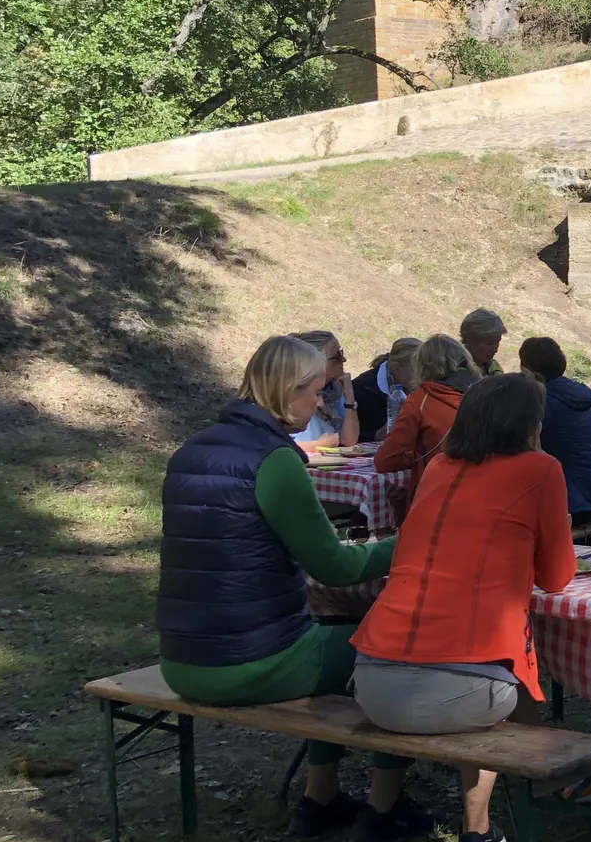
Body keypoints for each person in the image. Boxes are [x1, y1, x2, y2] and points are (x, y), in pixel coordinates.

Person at [157, 336, 427, 840]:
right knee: (400, 654)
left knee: (339, 630)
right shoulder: (275, 461)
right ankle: (384, 811)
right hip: (250, 663)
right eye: (316, 392)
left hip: (182, 658)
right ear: (287, 390)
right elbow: (334, 566)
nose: (321, 404)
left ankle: (320, 797)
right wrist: (413, 542)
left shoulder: (189, 451)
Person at [352, 375, 576, 842]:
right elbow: (556, 578)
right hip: (459, 691)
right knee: (496, 680)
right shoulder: (541, 468)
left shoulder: (438, 466)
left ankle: (379, 812)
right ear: (529, 423)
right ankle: (480, 828)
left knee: (479, 668)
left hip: (371, 680)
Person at [518, 337, 591, 524]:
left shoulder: (545, 402)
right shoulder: (576, 393)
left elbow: (519, 442)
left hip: (572, 503)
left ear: (530, 371)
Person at [374, 335, 478, 483]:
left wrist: (414, 457)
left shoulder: (421, 400)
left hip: (436, 489)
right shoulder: (484, 395)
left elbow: (384, 460)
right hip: (483, 486)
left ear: (422, 367)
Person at [289, 330, 359, 452]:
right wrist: (318, 444)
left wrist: (349, 394)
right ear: (319, 361)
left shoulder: (333, 390)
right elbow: (275, 445)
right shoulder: (295, 391)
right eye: (337, 355)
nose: (344, 359)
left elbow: (348, 440)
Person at [352, 337, 420, 441]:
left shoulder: (424, 387)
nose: (423, 376)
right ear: (396, 369)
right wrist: (375, 435)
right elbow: (348, 436)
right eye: (417, 371)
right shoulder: (363, 388)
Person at [460, 308, 507, 376]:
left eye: (498, 342)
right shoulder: (450, 368)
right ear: (467, 338)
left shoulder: (494, 369)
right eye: (489, 343)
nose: (495, 350)